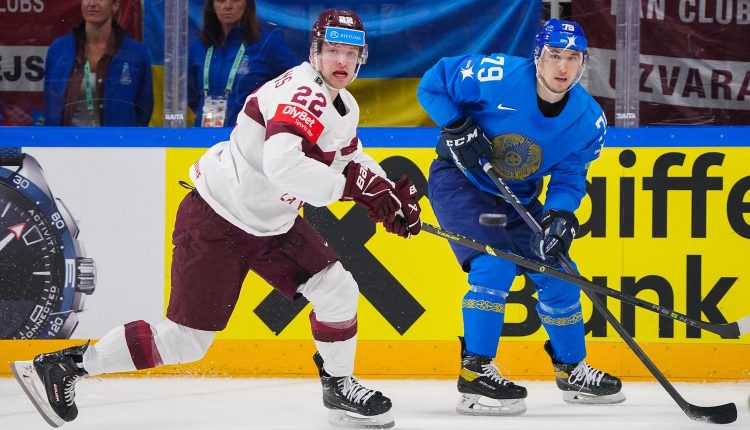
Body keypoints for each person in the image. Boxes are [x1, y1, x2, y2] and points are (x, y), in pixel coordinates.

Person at [11, 8, 420, 430]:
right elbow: (283, 166)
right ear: (314, 51)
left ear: (361, 58)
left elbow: (350, 156)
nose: (342, 61)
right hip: (217, 221)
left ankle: (338, 386)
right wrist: (351, 190)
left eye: (350, 53)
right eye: (333, 50)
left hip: (271, 225)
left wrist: (386, 191)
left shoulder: (342, 103)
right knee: (184, 341)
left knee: (337, 289)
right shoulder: (302, 94)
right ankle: (64, 367)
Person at [417, 19, 624, 416]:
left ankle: (572, 370)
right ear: (537, 56)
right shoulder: (495, 75)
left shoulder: (588, 119)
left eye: (572, 58)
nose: (562, 67)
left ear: (583, 63)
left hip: (519, 197)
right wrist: (456, 124)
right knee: (493, 265)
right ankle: (475, 371)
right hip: (461, 183)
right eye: (554, 56)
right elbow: (433, 83)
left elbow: (570, 175)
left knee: (560, 273)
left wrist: (560, 215)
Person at [188, 0, 298, 127]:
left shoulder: (267, 43)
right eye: (221, 0)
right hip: (204, 133)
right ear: (211, 5)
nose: (228, 6)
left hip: (248, 134)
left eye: (235, 0)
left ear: (247, 4)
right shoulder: (199, 46)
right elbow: (190, 94)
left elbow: (295, 84)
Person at [43, 0, 153, 126]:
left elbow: (144, 109)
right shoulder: (59, 49)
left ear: (115, 5)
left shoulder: (135, 53)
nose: (92, 3)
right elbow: (50, 106)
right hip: (67, 138)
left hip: (115, 138)